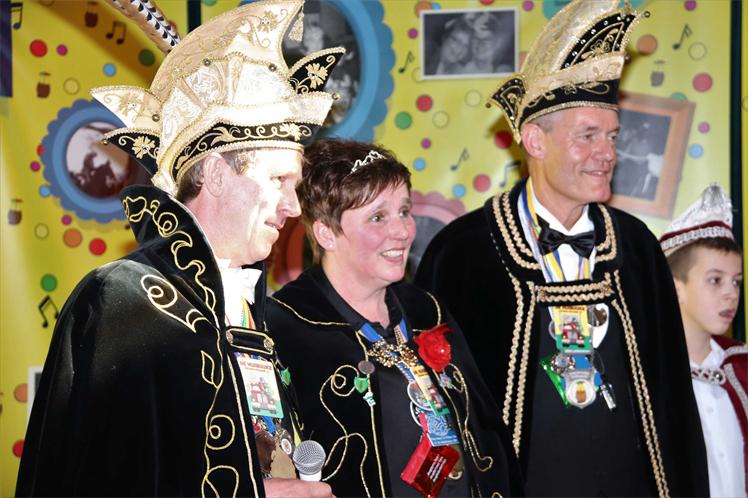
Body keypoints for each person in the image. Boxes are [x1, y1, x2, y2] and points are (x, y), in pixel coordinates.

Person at [16, 1, 345, 496]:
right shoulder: (125, 299)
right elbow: (106, 480)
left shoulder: (247, 304)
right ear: (215, 174)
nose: (294, 207)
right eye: (278, 180)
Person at [415, 1, 708, 496]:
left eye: (612, 136)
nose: (607, 153)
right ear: (534, 140)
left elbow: (675, 405)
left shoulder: (637, 248)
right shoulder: (462, 254)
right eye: (587, 136)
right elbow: (434, 409)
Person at [266, 139, 523, 497]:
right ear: (326, 233)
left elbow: (486, 432)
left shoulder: (426, 309)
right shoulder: (286, 327)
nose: (403, 231)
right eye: (378, 217)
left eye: (404, 211)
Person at [660, 184, 747, 498]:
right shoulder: (648, 375)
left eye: (736, 282)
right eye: (715, 280)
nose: (731, 293)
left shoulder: (741, 368)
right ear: (676, 288)